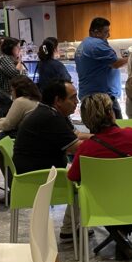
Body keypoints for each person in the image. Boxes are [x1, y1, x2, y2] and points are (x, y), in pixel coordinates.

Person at [67, 93, 132, 260]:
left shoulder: (87, 148)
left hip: (101, 206)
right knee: (123, 189)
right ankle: (122, 237)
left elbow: (73, 176)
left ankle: (120, 238)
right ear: (111, 113)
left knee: (93, 193)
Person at [13, 80, 87, 242]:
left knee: (81, 171)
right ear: (58, 100)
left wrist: (102, 136)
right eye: (73, 98)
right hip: (38, 176)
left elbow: (76, 136)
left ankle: (71, 227)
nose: (77, 102)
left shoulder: (51, 112)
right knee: (85, 176)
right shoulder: (50, 117)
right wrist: (106, 141)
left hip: (40, 169)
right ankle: (69, 229)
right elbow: (75, 147)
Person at [75, 17, 127, 118]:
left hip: (89, 96)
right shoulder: (97, 44)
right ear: (96, 32)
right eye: (106, 32)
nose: (108, 35)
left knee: (96, 126)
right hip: (102, 99)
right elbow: (116, 63)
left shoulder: (83, 44)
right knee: (113, 126)